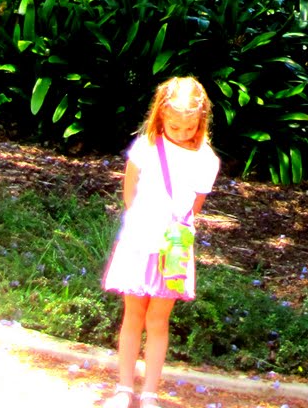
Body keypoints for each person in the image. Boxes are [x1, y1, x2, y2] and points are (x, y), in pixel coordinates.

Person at [103, 76, 220, 408]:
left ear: (201, 119)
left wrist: (169, 231)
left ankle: (150, 393)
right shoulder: (147, 146)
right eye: (174, 126)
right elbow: (129, 191)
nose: (182, 133)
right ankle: (124, 389)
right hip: (139, 241)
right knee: (132, 314)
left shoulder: (206, 159)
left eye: (189, 127)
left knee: (157, 320)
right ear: (161, 115)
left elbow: (194, 207)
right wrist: (141, 224)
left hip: (173, 249)